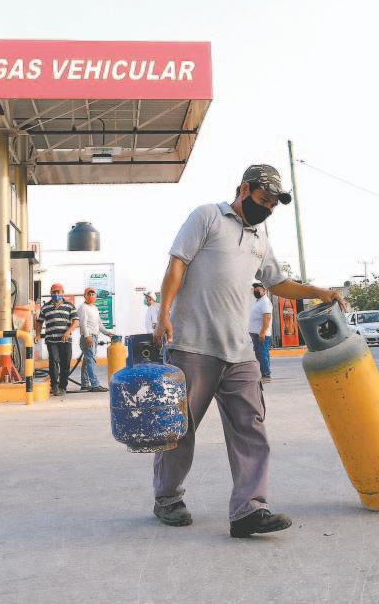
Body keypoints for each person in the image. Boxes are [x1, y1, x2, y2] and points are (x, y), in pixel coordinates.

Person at [153, 164, 347, 537]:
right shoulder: (207, 216)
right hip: (194, 345)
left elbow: (278, 282)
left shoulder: (260, 238)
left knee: (251, 426)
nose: (268, 208)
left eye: (273, 205)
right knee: (181, 428)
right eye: (263, 200)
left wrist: (318, 292)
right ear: (244, 189)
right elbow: (177, 263)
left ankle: (249, 510)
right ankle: (167, 498)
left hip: (240, 350)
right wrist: (163, 315)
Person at [37, 283, 79, 397]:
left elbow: (76, 322)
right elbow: (39, 322)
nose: (56, 294)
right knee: (54, 362)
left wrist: (68, 332)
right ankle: (54, 386)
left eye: (58, 292)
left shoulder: (69, 306)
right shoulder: (45, 307)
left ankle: (63, 386)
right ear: (51, 293)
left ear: (62, 293)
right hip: (51, 340)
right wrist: (37, 335)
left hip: (65, 340)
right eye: (54, 292)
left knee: (65, 363)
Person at [76, 288, 114, 392]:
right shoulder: (83, 307)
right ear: (85, 296)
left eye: (93, 294)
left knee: (87, 361)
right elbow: (82, 323)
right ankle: (95, 384)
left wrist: (107, 333)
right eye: (89, 294)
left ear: (96, 296)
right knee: (90, 361)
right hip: (88, 337)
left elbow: (99, 324)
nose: (91, 296)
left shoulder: (95, 308)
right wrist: (87, 336)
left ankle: (85, 384)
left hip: (94, 337)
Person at [249, 282, 274, 383]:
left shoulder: (265, 302)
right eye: (255, 289)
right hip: (256, 333)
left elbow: (267, 317)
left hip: (261, 333)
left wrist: (262, 332)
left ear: (264, 290)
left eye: (258, 289)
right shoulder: (259, 301)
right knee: (262, 354)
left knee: (262, 354)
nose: (255, 291)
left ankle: (266, 375)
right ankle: (264, 374)